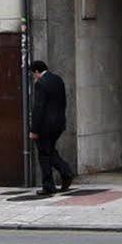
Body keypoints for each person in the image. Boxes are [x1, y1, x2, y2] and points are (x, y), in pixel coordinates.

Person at [27, 60, 74, 195]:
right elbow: (63, 101)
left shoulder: (40, 83)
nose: (34, 77)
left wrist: (34, 130)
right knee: (50, 151)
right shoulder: (57, 79)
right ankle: (65, 173)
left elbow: (39, 108)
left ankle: (50, 184)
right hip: (58, 123)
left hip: (45, 126)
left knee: (44, 154)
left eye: (33, 74)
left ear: (36, 71)